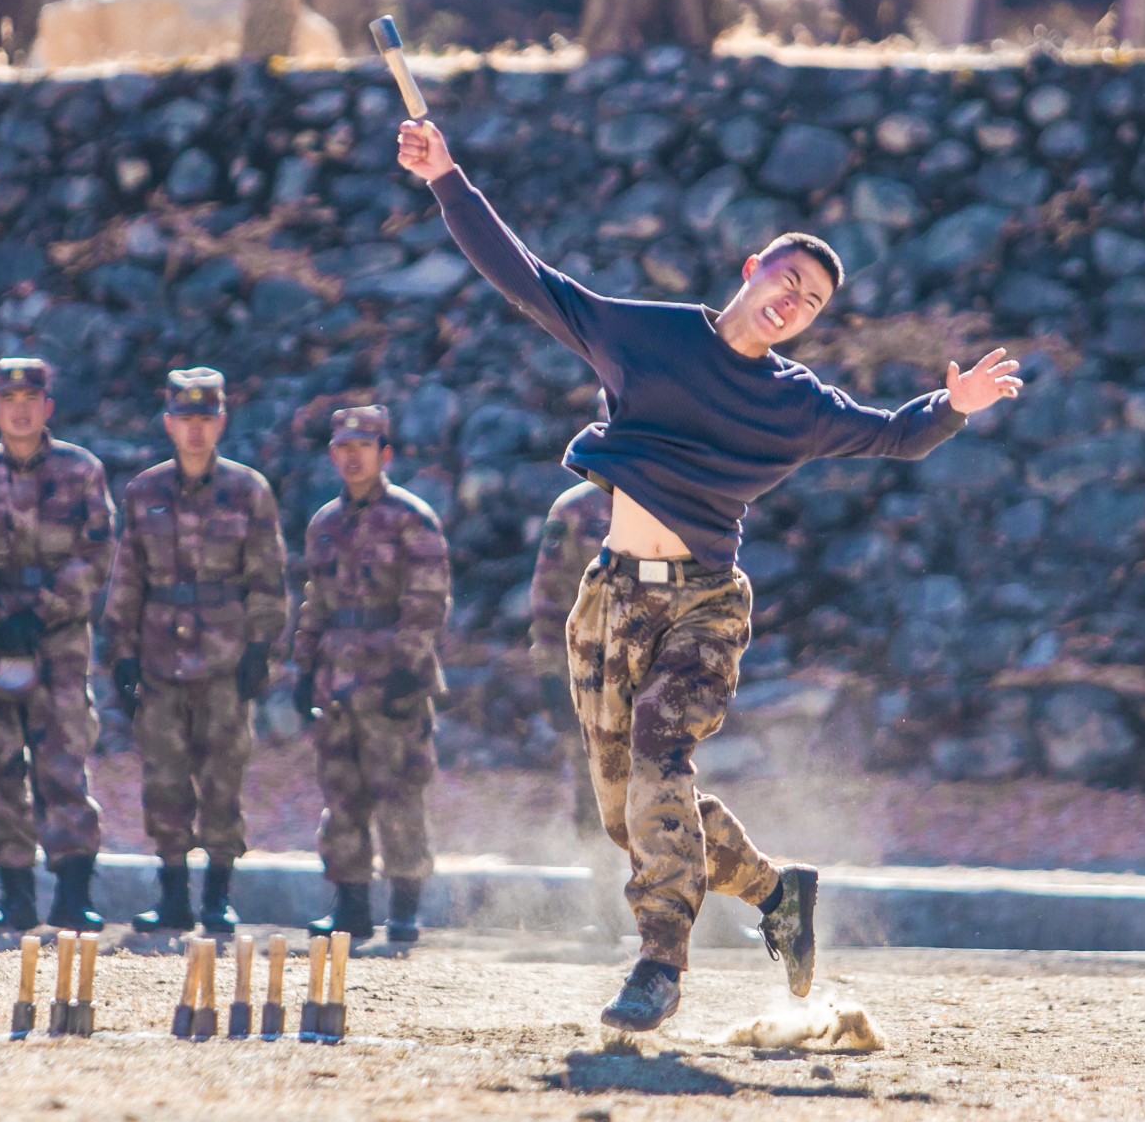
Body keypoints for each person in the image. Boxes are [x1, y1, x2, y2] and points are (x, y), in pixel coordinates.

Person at [399, 115, 1024, 1031]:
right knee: (633, 809)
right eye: (787, 279)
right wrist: (447, 177)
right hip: (610, 596)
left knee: (660, 755)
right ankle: (778, 893)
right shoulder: (642, 337)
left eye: (811, 301)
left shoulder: (795, 405)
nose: (793, 302)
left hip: (703, 604)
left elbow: (892, 433)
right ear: (751, 269)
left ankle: (658, 964)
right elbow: (526, 279)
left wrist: (952, 405)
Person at [103, 367, 287, 935]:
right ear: (169, 424)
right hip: (159, 659)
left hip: (225, 660)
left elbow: (268, 577)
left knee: (222, 780)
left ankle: (217, 896)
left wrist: (261, 648)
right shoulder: (144, 491)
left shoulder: (248, 490)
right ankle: (174, 895)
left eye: (206, 419)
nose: (197, 430)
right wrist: (122, 653)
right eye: (187, 419)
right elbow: (127, 576)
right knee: (164, 779)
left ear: (222, 423)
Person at [0, 357, 115, 933]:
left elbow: (96, 554)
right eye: (8, 401)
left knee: (64, 763)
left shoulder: (81, 471)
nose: (20, 410)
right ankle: (13, 892)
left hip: (60, 645)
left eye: (31, 399)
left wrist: (39, 613)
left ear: (47, 407)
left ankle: (73, 892)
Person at [292, 405, 450, 945]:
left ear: (385, 454)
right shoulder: (325, 524)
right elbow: (316, 600)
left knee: (400, 793)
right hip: (336, 683)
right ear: (333, 454)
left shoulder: (412, 517)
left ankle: (404, 909)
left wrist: (410, 665)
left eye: (364, 446)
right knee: (342, 796)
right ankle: (351, 908)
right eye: (343, 447)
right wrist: (303, 662)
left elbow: (429, 599)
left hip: (393, 683)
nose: (352, 456)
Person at [532, 468, 613, 833]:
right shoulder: (575, 509)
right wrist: (550, 673)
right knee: (593, 791)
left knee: (664, 789)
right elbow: (550, 600)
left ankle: (663, 888)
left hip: (660, 668)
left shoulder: (675, 504)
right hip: (592, 674)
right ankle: (599, 886)